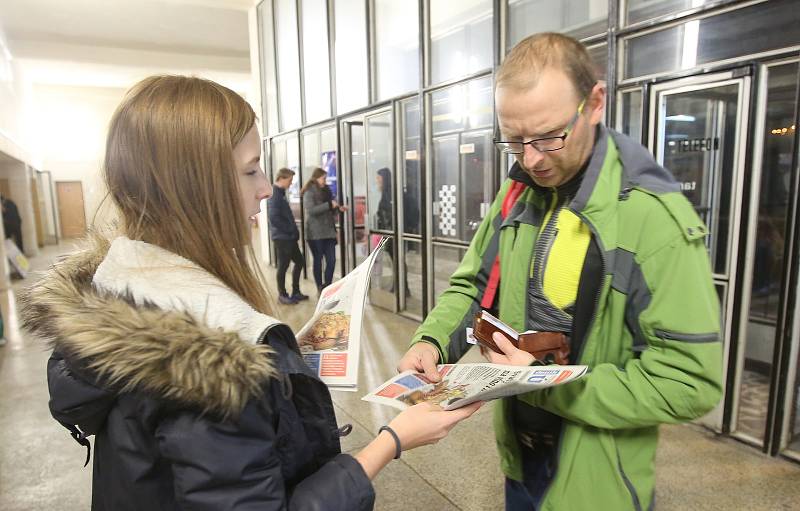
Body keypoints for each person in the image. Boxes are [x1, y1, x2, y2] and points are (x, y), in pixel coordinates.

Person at [20, 75, 481, 510]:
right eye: (250, 170)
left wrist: (280, 362)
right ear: (193, 187)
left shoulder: (122, 288)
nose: (265, 189)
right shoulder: (207, 362)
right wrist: (393, 440)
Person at [398, 33, 722, 510]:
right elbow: (473, 286)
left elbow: (688, 381)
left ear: (595, 102)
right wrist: (431, 340)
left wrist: (548, 385)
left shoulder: (654, 220)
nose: (531, 159)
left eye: (549, 137)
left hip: (598, 479)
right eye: (514, 140)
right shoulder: (519, 194)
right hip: (520, 459)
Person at [267, 167, 308, 305]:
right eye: (290, 180)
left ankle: (296, 291)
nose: (291, 183)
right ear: (282, 178)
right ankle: (282, 295)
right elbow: (274, 218)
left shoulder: (281, 193)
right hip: (282, 238)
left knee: (300, 261)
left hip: (288, 238)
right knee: (283, 266)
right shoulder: (274, 195)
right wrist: (290, 230)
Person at [301, 167, 345, 292]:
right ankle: (320, 287)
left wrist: (338, 209)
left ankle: (328, 286)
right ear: (316, 178)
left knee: (331, 260)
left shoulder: (327, 190)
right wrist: (329, 205)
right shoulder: (309, 191)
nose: (325, 181)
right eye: (323, 178)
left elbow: (329, 209)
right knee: (318, 260)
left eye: (325, 178)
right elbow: (311, 211)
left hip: (329, 232)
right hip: (315, 233)